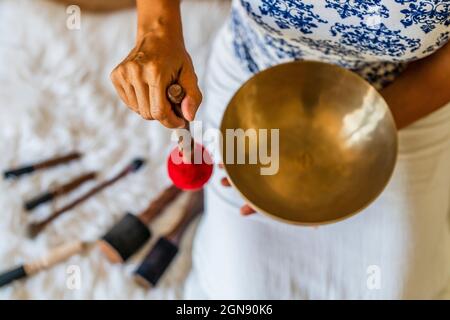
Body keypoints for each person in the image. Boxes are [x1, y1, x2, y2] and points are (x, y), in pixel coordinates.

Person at [111, 0, 450, 299]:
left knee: (395, 290)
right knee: (242, 294)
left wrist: (352, 134)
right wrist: (156, 27)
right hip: (256, 78)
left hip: (399, 95)